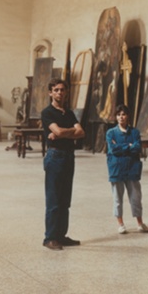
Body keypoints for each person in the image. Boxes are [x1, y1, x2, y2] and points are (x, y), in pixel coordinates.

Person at [41, 78, 85, 251]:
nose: (60, 92)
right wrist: (66, 132)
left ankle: (61, 235)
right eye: (56, 90)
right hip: (55, 157)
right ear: (51, 93)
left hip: (69, 156)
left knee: (65, 199)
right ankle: (50, 238)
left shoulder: (69, 113)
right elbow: (58, 131)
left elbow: (81, 132)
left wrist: (61, 134)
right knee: (54, 199)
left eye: (62, 90)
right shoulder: (47, 113)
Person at [106, 104, 148, 235]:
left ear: (128, 116)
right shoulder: (111, 133)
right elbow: (113, 150)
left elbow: (137, 148)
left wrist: (122, 147)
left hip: (132, 169)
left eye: (124, 114)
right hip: (117, 169)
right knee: (117, 199)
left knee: (136, 197)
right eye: (119, 114)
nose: (121, 117)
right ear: (116, 117)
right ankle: (120, 224)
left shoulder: (135, 132)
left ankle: (140, 223)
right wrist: (129, 146)